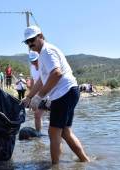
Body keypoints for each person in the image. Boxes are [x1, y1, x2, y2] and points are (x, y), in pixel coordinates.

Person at [21, 25, 90, 164]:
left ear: (40, 36)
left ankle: (55, 166)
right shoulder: (42, 55)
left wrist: (39, 96)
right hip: (68, 92)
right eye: (27, 42)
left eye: (32, 40)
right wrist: (29, 97)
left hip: (64, 93)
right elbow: (42, 79)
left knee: (53, 132)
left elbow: (56, 73)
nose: (30, 44)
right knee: (65, 132)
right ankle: (84, 161)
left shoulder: (47, 51)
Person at [28, 51, 44, 134]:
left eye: (35, 60)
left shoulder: (44, 65)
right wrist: (31, 96)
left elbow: (43, 81)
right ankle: (39, 134)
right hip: (39, 94)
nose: (34, 62)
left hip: (50, 92)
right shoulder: (32, 67)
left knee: (55, 117)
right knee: (37, 115)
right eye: (32, 61)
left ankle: (58, 135)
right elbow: (33, 81)